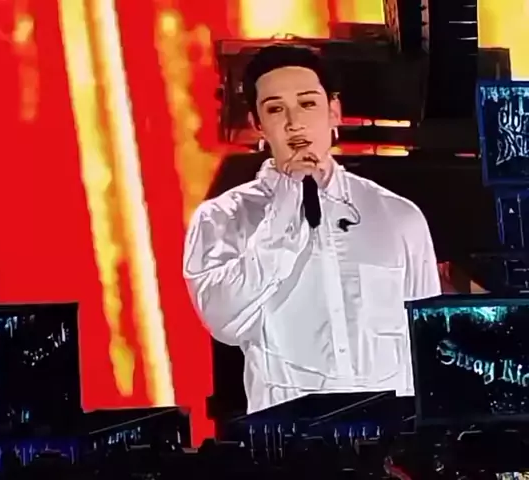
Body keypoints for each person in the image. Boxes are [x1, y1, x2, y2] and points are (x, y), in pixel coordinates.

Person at [183, 45, 441, 414]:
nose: (294, 123)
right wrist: (284, 212)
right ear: (257, 124)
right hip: (286, 434)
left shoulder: (399, 216)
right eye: (275, 109)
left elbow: (428, 341)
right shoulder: (222, 218)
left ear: (334, 111)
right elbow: (224, 321)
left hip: (390, 433)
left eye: (307, 104)